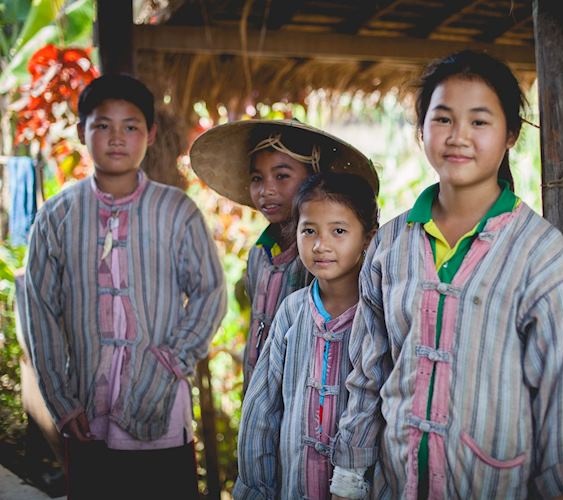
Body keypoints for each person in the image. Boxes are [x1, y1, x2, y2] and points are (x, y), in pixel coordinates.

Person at [329, 49, 563, 499]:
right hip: (397, 485)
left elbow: (558, 400)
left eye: (480, 121)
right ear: (421, 130)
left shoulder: (541, 254)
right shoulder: (390, 245)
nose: (458, 136)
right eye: (443, 119)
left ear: (510, 135)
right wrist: (350, 479)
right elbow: (369, 374)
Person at [24, 74, 227, 500]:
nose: (117, 138)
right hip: (85, 417)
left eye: (131, 126)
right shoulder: (56, 216)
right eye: (103, 126)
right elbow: (38, 307)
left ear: (150, 134)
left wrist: (173, 359)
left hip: (161, 414)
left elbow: (210, 291)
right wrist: (60, 401)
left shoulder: (177, 212)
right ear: (82, 132)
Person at [189, 119, 379, 392]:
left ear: (313, 180)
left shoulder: (321, 261)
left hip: (304, 390)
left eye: (281, 176)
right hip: (260, 385)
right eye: (257, 179)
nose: (266, 190)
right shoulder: (259, 254)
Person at [234, 171, 379, 499]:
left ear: (368, 238)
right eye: (308, 230)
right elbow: (263, 410)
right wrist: (257, 487)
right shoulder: (291, 312)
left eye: (338, 231)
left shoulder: (378, 316)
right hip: (293, 486)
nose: (320, 245)